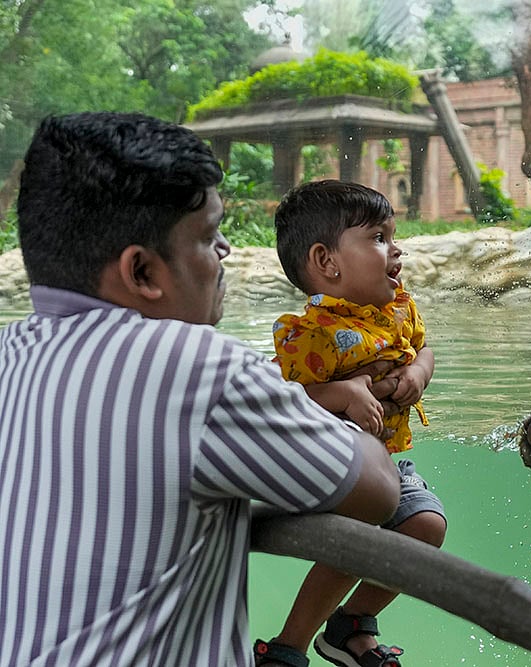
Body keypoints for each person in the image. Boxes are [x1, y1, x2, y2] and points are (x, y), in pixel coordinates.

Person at [0, 112, 401, 667]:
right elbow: (378, 491)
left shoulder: (8, 355)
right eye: (209, 236)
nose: (226, 252)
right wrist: (350, 393)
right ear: (142, 272)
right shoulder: (199, 368)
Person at [262, 180, 446, 667]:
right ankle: (288, 646)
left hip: (385, 463)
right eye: (379, 237)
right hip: (332, 470)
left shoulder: (399, 309)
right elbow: (281, 402)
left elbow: (425, 349)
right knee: (362, 521)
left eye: (393, 235)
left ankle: (351, 624)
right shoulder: (309, 336)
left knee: (427, 526)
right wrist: (341, 392)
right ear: (327, 262)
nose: (396, 248)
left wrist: (416, 375)